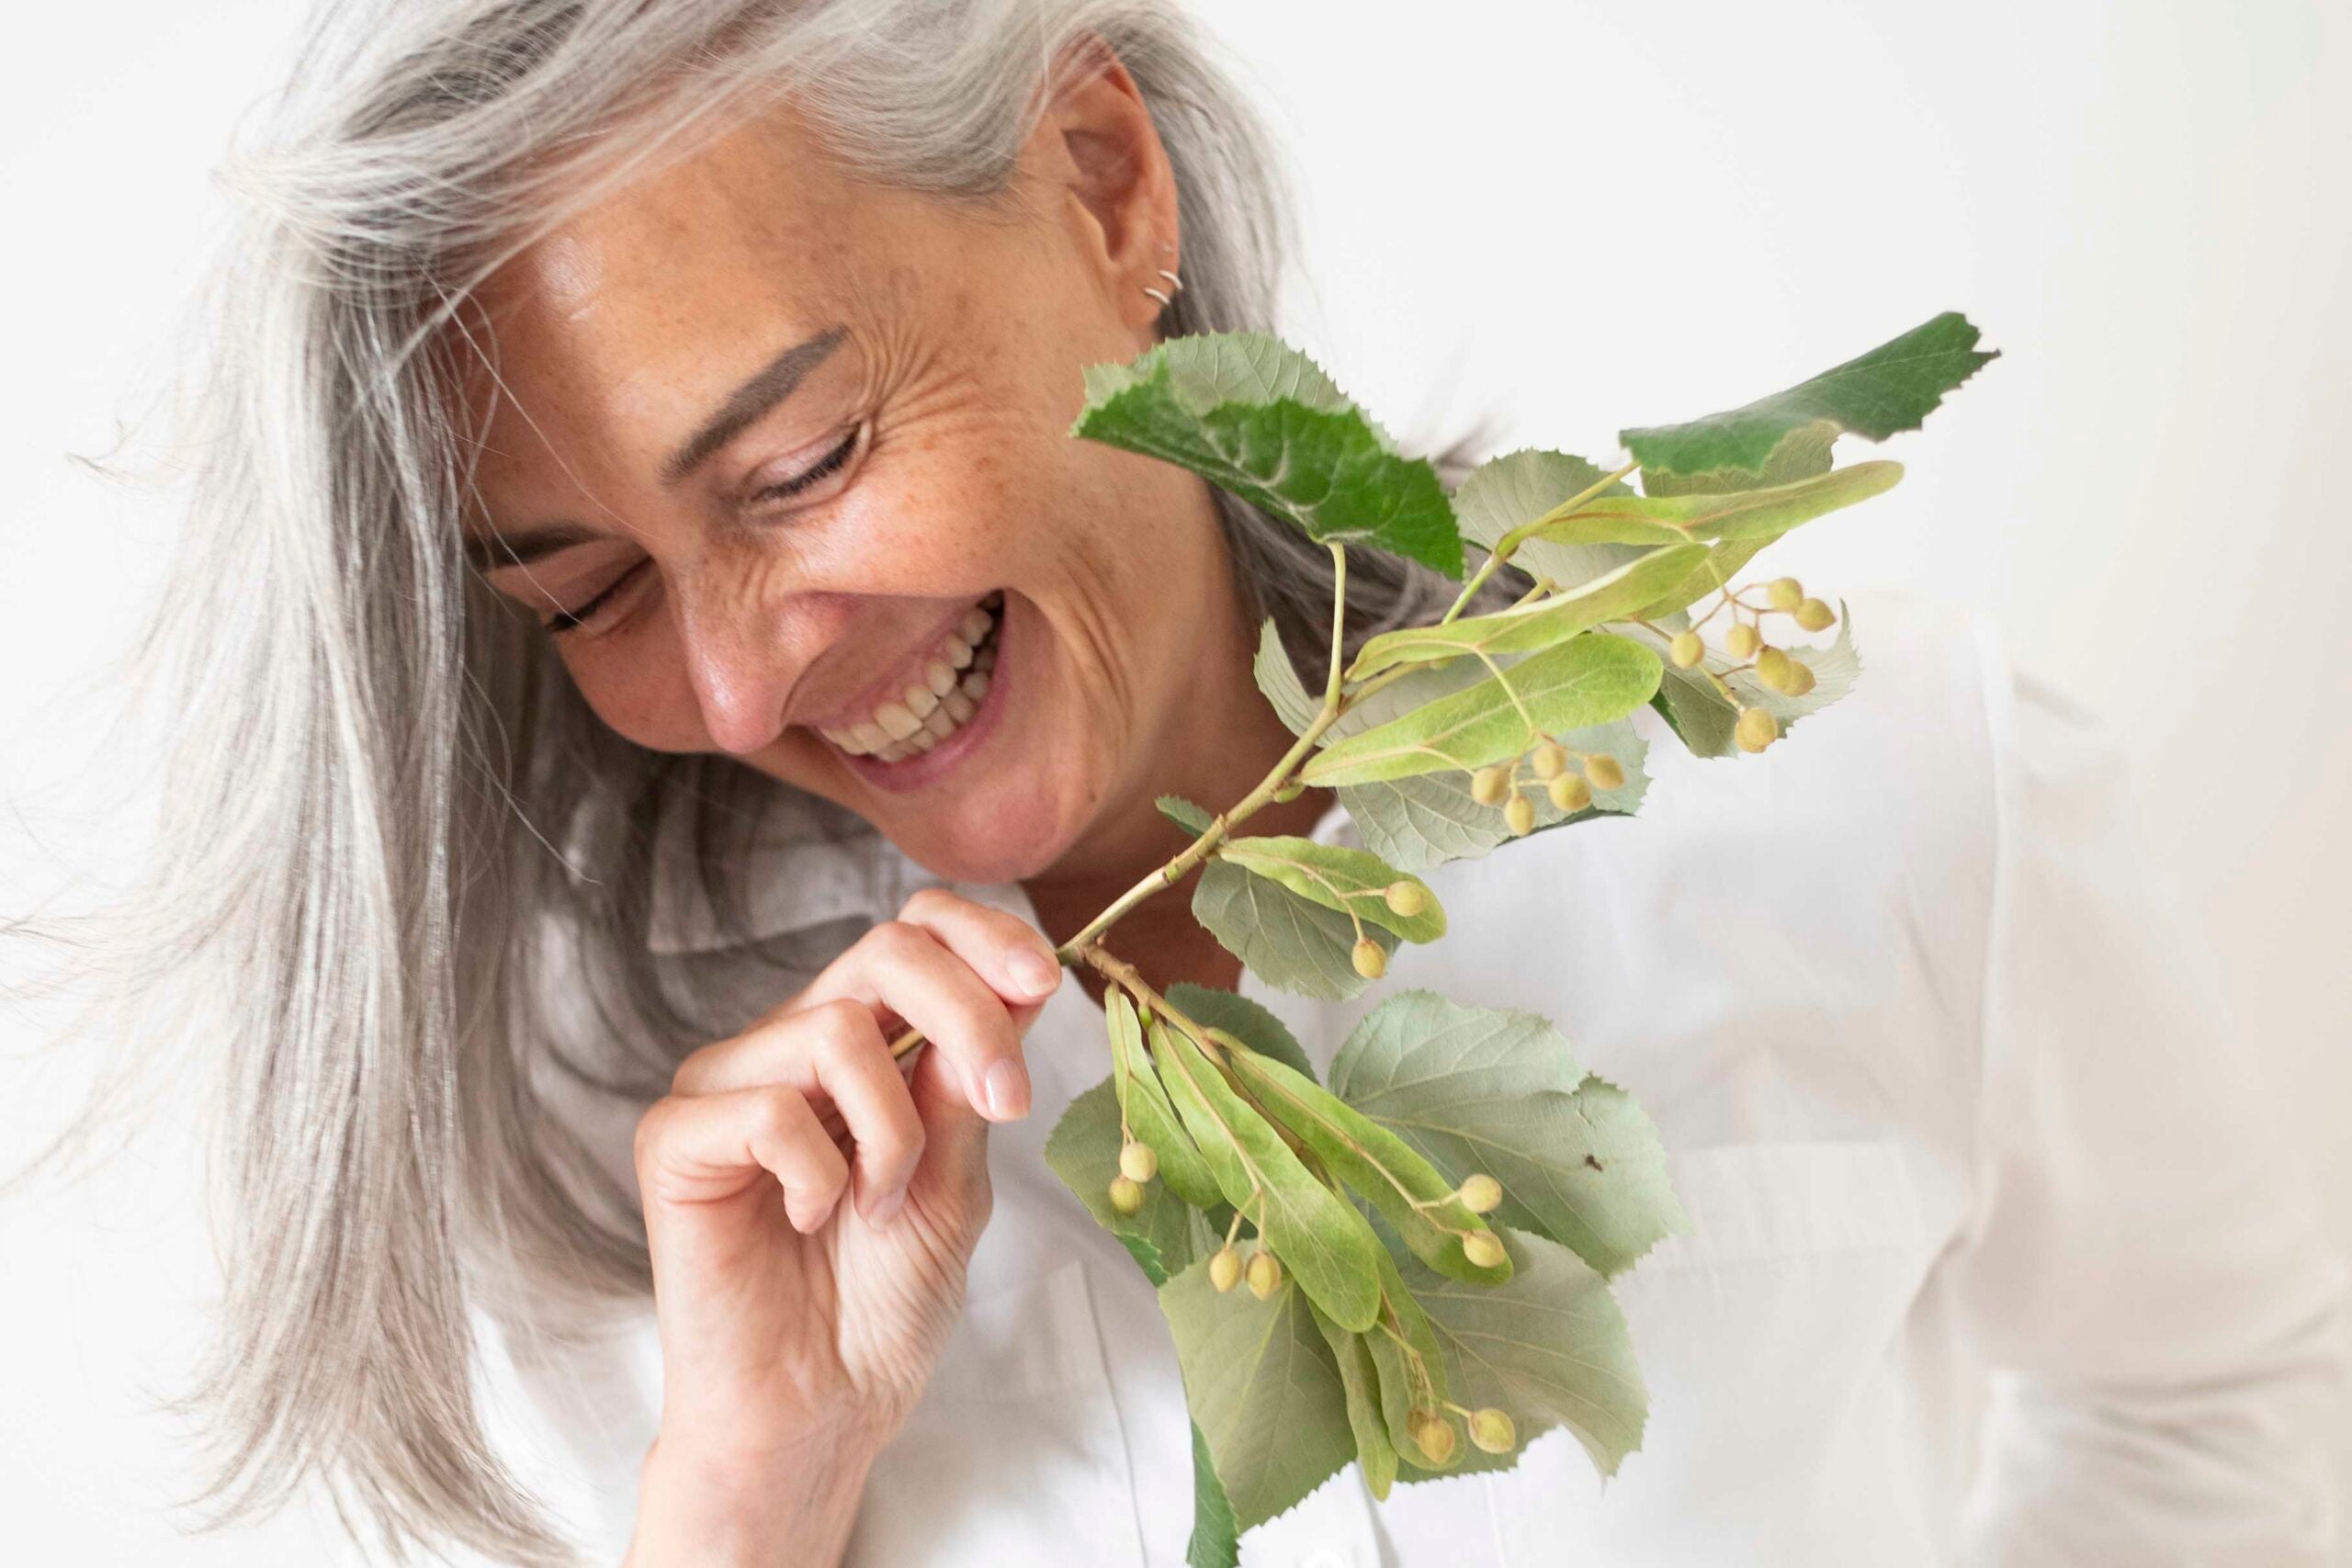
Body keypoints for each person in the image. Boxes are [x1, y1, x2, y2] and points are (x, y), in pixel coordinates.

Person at [36, 0, 2345, 1562]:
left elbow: (2219, 1400)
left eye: (802, 461)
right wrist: (745, 1493)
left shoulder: (1858, 786)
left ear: (1100, 182)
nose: (734, 687)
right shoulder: (576, 1103)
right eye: (581, 591)